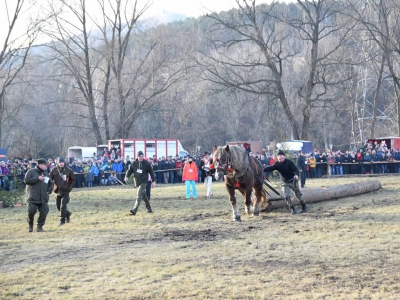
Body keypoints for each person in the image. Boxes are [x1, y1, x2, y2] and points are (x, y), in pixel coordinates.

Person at [263, 150, 307, 214]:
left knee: (298, 195)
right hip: (285, 183)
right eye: (278, 156)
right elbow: (270, 168)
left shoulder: (289, 162)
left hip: (293, 181)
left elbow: (296, 169)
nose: (279, 157)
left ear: (284, 156)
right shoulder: (277, 164)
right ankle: (293, 209)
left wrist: (296, 175)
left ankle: (304, 206)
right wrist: (261, 169)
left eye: (281, 155)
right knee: (286, 196)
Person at [24, 158, 54, 232]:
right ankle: (30, 225)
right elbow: (26, 180)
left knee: (45, 211)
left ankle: (39, 227)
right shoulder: (31, 171)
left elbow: (51, 183)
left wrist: (49, 191)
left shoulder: (46, 174)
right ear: (40, 165)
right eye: (45, 165)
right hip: (32, 197)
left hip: (43, 197)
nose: (46, 166)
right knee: (31, 211)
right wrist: (37, 178)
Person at [124, 151, 156, 215]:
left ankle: (134, 209)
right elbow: (130, 170)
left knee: (139, 195)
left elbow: (151, 172)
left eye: (142, 156)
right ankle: (149, 209)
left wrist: (153, 181)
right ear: (137, 156)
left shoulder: (146, 163)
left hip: (144, 181)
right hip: (137, 181)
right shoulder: (134, 163)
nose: (141, 157)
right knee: (143, 196)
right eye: (140, 156)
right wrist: (127, 176)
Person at [49, 156, 77, 226]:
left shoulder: (68, 170)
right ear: (57, 163)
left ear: (64, 162)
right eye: (60, 162)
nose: (61, 164)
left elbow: (73, 180)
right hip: (57, 191)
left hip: (66, 191)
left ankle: (62, 221)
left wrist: (69, 188)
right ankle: (67, 214)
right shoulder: (54, 170)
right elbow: (49, 179)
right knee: (58, 206)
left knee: (63, 206)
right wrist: (50, 188)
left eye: (62, 162)